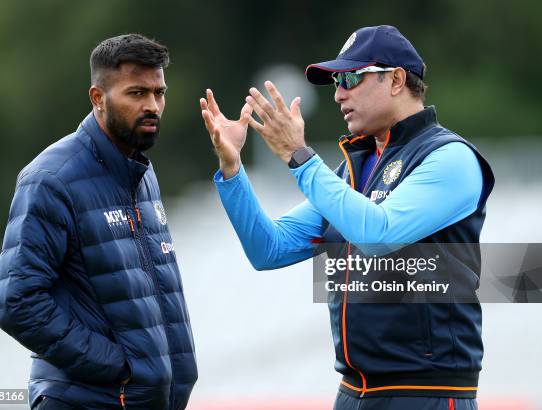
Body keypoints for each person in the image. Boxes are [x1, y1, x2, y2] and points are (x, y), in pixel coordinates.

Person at [200, 25, 494, 410]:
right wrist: (233, 170)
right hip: (354, 392)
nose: (339, 93)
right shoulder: (353, 169)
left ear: (396, 80)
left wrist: (299, 156)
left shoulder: (451, 158)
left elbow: (378, 236)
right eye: (337, 80)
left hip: (426, 394)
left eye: (351, 77)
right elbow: (268, 249)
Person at [0, 34, 197, 410]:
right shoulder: (51, 179)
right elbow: (16, 302)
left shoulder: (140, 172)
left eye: (159, 92)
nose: (152, 105)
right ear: (98, 98)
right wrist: (118, 367)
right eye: (137, 93)